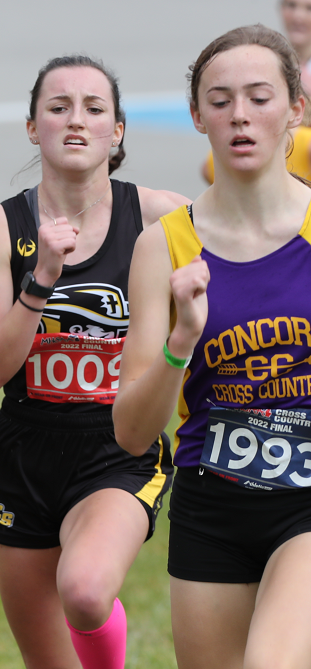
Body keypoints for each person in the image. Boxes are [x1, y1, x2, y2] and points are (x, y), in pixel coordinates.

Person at [0, 55, 188, 669]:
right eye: (58, 107)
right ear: (32, 126)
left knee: (87, 592)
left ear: (117, 131)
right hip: (23, 454)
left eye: (94, 109)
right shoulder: (2, 228)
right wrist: (40, 282)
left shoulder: (160, 215)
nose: (76, 121)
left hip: (118, 445)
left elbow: (254, 255)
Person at [114, 25, 311, 669]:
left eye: (260, 97)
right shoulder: (162, 247)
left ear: (296, 109)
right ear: (197, 116)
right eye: (220, 100)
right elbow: (133, 434)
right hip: (211, 503)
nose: (241, 116)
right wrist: (180, 342)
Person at [201, 0, 311, 184]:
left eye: (309, 8)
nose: (298, 16)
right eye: (291, 6)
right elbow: (208, 169)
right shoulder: (270, 62)